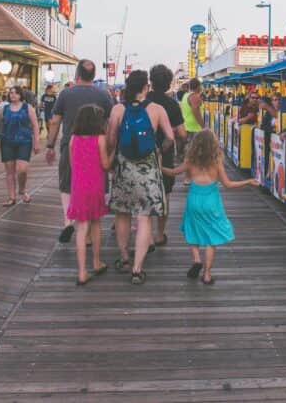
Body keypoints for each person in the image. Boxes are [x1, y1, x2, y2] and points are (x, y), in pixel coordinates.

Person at [106, 70, 175, 285]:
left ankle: (124, 257)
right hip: (149, 170)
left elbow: (111, 139)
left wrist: (114, 156)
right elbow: (171, 138)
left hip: (124, 169)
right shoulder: (156, 109)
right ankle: (137, 269)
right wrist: (159, 150)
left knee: (123, 214)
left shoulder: (118, 109)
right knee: (144, 217)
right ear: (146, 87)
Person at [163, 129, 258, 284]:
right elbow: (228, 184)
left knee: (191, 229)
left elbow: (173, 172)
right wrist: (248, 181)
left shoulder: (190, 160)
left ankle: (196, 259)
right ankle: (207, 275)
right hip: (211, 201)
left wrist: (159, 168)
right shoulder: (216, 162)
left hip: (194, 200)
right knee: (211, 239)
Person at [46, 60, 114, 243]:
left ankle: (68, 222)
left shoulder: (65, 94)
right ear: (93, 75)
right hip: (97, 145)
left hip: (72, 144)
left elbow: (54, 121)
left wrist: (50, 145)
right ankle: (91, 234)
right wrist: (110, 145)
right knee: (95, 185)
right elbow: (111, 122)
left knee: (67, 183)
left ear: (77, 74)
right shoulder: (103, 95)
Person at [67, 105, 111, 285]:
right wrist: (113, 153)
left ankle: (82, 272)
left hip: (78, 187)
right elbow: (106, 165)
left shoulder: (73, 139)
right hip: (94, 186)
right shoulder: (100, 138)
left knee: (81, 228)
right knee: (96, 223)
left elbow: (72, 165)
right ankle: (96, 262)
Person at [146, 64, 187, 247]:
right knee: (165, 194)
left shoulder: (143, 100)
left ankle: (144, 234)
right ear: (169, 83)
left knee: (144, 193)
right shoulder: (172, 104)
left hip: (143, 153)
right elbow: (183, 133)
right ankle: (159, 234)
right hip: (166, 155)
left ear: (151, 81)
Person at [0, 86, 40, 206]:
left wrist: (36, 142)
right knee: (9, 171)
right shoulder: (4, 108)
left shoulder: (28, 107)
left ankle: (22, 189)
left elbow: (35, 125)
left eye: (16, 93)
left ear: (21, 95)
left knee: (22, 170)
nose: (13, 95)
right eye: (11, 93)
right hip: (7, 141)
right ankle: (11, 197)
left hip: (24, 141)